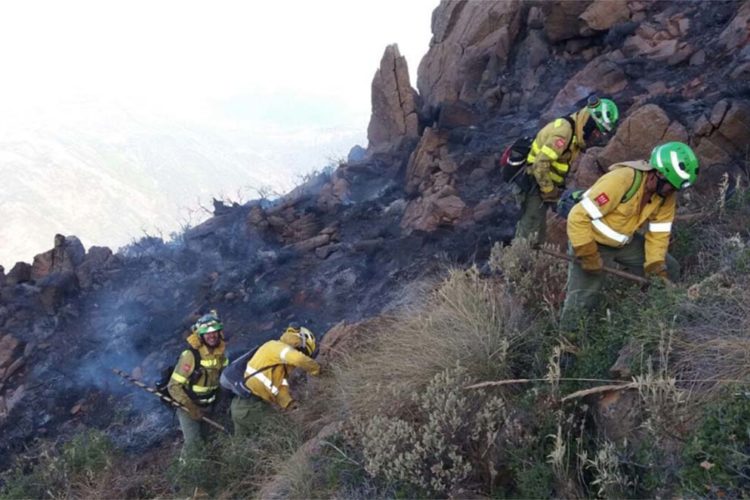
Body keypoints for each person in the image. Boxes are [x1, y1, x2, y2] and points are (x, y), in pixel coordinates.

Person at [559, 142, 699, 331]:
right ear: (658, 173)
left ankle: (654, 319)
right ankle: (566, 346)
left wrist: (655, 266)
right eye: (670, 186)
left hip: (624, 243)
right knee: (582, 299)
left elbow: (659, 234)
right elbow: (578, 217)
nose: (672, 192)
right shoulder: (622, 179)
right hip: (591, 241)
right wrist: (587, 254)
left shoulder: (666, 196)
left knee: (670, 269)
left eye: (676, 189)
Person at [515, 96, 619, 244]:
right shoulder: (564, 133)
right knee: (531, 231)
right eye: (596, 131)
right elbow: (540, 164)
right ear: (590, 122)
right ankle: (519, 263)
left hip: (546, 184)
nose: (596, 137)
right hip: (534, 184)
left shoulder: (576, 133)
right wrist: (549, 191)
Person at [221, 323, 320, 437]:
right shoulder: (276, 346)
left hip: (242, 406)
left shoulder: (278, 368)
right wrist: (316, 369)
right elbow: (298, 359)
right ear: (299, 344)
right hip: (251, 406)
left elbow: (279, 390)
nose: (303, 355)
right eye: (305, 352)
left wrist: (291, 405)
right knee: (285, 434)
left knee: (243, 446)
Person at [167, 311, 229, 457]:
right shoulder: (191, 356)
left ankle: (204, 470)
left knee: (205, 442)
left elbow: (224, 377)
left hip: (208, 406)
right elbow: (173, 386)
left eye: (214, 332)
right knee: (194, 444)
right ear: (200, 335)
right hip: (188, 406)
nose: (212, 336)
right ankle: (185, 473)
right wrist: (191, 408)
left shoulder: (220, 353)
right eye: (207, 333)